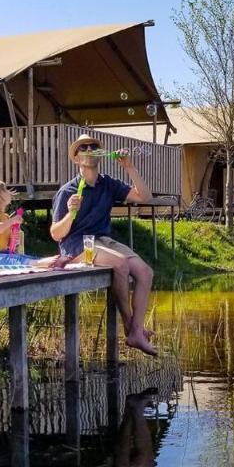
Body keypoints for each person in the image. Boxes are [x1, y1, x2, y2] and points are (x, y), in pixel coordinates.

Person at [50, 135, 157, 355]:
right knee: (120, 264)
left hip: (103, 240)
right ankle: (132, 328)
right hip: (76, 246)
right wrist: (71, 213)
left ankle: (135, 330)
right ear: (76, 158)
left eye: (93, 146)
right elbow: (56, 234)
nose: (89, 149)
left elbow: (144, 197)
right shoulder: (68, 191)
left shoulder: (107, 183)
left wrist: (129, 166)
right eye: (83, 147)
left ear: (100, 154)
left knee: (146, 272)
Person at [0, 179, 69, 269]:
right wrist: (11, 221)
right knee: (15, 260)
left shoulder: (5, 217)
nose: (8, 191)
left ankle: (43, 261)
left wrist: (13, 240)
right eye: (4, 189)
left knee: (22, 257)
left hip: (3, 253)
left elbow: (5, 241)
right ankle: (38, 263)